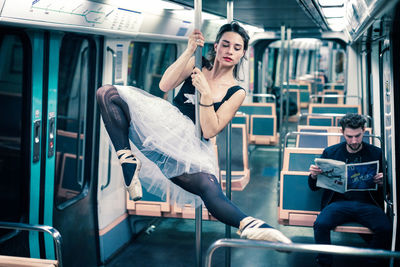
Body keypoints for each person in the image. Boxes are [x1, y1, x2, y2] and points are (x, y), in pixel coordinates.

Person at [96, 22, 291, 243]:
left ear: (243, 53)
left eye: (237, 48)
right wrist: (189, 50)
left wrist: (206, 96)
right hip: (164, 127)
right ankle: (127, 160)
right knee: (107, 94)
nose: (229, 51)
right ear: (216, 46)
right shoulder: (197, 65)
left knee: (209, 189)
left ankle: (251, 225)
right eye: (225, 45)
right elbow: (164, 85)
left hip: (190, 145)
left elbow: (210, 129)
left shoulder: (236, 92)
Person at [308, 113, 392, 267]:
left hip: (368, 203)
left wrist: (383, 182)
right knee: (320, 225)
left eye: (358, 136)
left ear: (364, 130)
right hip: (338, 203)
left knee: (385, 229)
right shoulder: (331, 152)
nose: (354, 141)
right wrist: (313, 176)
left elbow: (388, 190)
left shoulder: (376, 153)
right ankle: (325, 263)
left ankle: (371, 263)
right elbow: (313, 187)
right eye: (349, 136)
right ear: (342, 133)